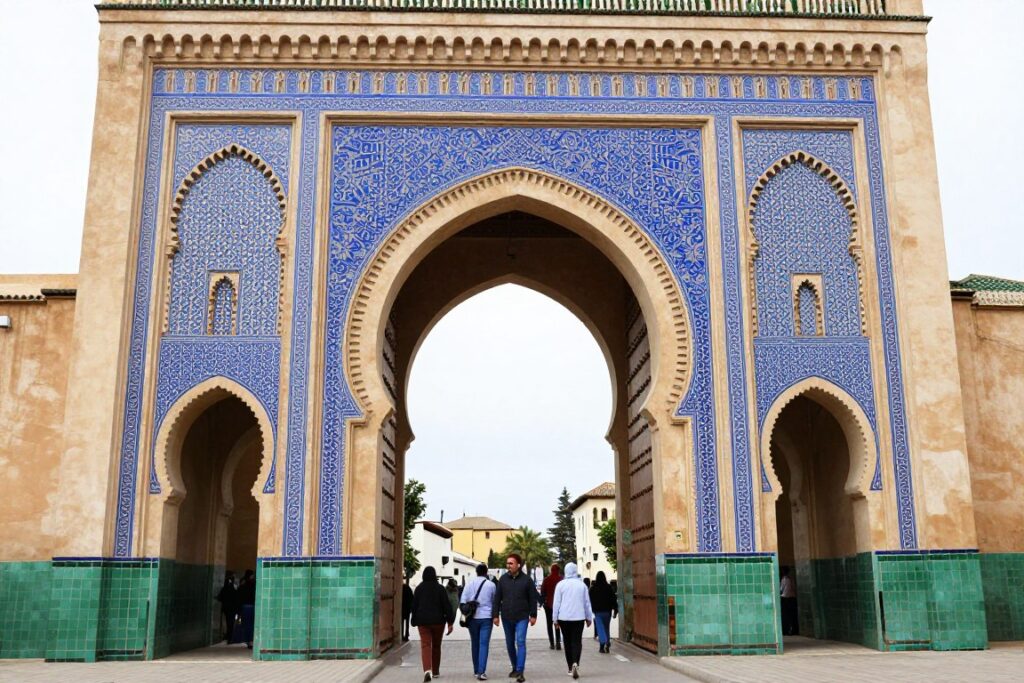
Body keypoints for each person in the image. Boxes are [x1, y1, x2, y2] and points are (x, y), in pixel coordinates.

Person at [493, 553, 538, 683]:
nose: (508, 566)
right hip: (507, 617)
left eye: (511, 563)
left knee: (520, 642)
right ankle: (514, 667)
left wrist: (533, 615)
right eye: (507, 563)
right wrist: (495, 615)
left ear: (518, 565)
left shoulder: (527, 580)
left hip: (522, 617)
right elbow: (497, 599)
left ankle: (520, 671)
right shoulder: (502, 580)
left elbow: (532, 599)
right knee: (509, 644)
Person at [411, 566, 455, 682]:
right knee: (436, 646)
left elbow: (414, 606)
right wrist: (450, 622)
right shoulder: (440, 589)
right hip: (438, 622)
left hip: (423, 622)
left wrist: (413, 619)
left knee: (425, 645)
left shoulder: (419, 588)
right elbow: (447, 606)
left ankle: (427, 670)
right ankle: (435, 671)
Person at [552, 563, 593, 680]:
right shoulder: (582, 586)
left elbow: (556, 604)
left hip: (564, 618)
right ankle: (576, 663)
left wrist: (555, 619)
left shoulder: (560, 585)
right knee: (577, 641)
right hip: (578, 617)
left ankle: (570, 667)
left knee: (567, 641)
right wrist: (589, 617)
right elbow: (587, 603)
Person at [461, 563, 497, 681]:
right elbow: (494, 602)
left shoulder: (469, 584)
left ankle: (476, 670)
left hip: (472, 619)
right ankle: (482, 672)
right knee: (484, 644)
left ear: (476, 572)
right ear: (486, 572)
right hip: (486, 617)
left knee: (475, 643)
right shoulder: (491, 585)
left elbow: (462, 602)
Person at [588, 571, 616, 653]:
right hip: (607, 612)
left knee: (600, 628)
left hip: (598, 612)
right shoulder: (609, 587)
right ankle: (607, 643)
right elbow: (613, 599)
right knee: (606, 628)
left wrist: (591, 610)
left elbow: (589, 600)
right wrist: (615, 610)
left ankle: (602, 644)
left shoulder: (593, 588)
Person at [539, 563, 562, 650]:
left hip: (548, 605)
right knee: (557, 623)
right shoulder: (561, 579)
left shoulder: (546, 579)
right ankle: (558, 643)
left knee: (549, 624)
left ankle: (552, 643)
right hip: (559, 605)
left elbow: (542, 592)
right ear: (558, 570)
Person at [215, 571, 238, 642]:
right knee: (231, 622)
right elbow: (237, 598)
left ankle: (228, 636)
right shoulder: (234, 589)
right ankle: (230, 637)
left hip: (226, 608)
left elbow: (219, 598)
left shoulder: (224, 588)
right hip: (233, 608)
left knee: (228, 622)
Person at [236, 569, 256, 648]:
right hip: (252, 607)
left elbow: (238, 597)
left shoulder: (242, 585)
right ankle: (251, 640)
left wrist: (238, 610)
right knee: (252, 625)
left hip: (244, 607)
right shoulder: (254, 585)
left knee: (246, 625)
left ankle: (248, 641)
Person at [780, 567, 798, 636]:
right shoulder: (791, 579)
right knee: (792, 615)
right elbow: (794, 588)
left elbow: (781, 589)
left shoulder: (784, 579)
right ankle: (793, 630)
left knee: (785, 615)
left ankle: (786, 630)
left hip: (785, 598)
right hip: (792, 598)